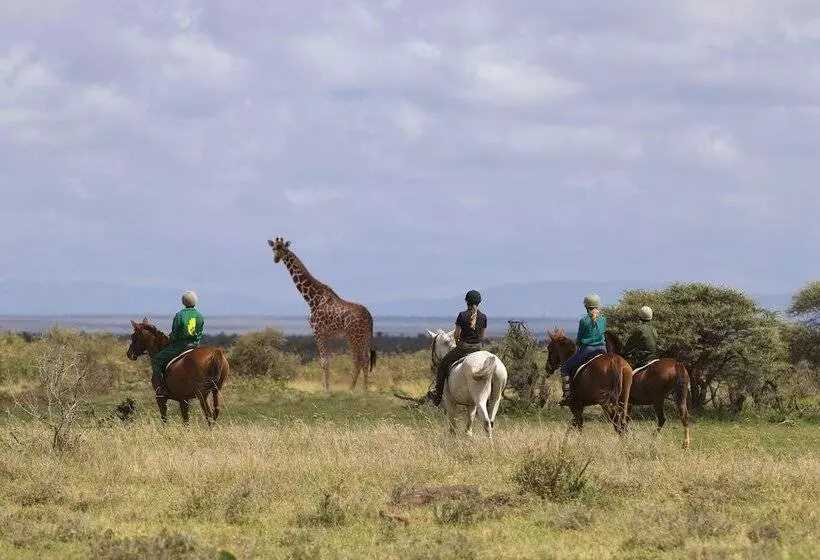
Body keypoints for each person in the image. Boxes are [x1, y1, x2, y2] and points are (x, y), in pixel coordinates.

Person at [427, 289, 487, 406]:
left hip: (464, 348)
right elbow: (482, 336)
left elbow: (456, 334)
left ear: (466, 301)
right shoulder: (483, 317)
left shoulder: (462, 315)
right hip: (478, 348)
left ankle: (437, 397)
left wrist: (457, 342)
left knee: (442, 366)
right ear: (479, 302)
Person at [150, 290, 205, 397]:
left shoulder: (179, 315)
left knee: (156, 360)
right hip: (195, 346)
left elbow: (175, 334)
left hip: (180, 346)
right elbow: (199, 333)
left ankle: (161, 388)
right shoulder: (199, 316)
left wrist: (170, 339)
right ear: (195, 301)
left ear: (183, 302)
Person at [559, 293, 607, 406]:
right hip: (603, 349)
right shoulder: (603, 319)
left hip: (588, 349)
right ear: (598, 306)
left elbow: (580, 338)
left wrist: (578, 345)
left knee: (565, 367)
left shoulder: (584, 320)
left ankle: (567, 395)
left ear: (586, 307)